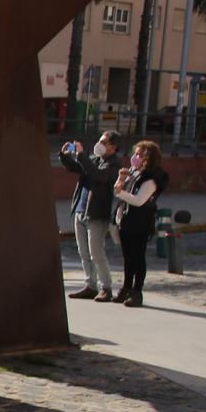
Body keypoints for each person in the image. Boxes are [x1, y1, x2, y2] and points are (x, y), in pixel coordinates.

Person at [60, 130, 121, 303]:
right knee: (84, 252)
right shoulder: (95, 160)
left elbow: (98, 176)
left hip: (97, 213)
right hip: (81, 210)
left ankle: (106, 287)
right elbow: (76, 168)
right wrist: (66, 156)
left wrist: (81, 155)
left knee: (96, 253)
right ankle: (90, 285)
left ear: (113, 147)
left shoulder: (114, 164)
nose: (99, 145)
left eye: (104, 142)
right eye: (99, 141)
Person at [112, 141, 169, 307]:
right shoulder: (135, 173)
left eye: (139, 154)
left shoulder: (151, 179)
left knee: (138, 258)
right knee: (128, 258)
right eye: (135, 153)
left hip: (140, 222)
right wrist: (121, 180)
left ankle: (137, 292)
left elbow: (138, 201)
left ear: (148, 157)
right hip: (127, 221)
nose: (135, 157)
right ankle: (126, 288)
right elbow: (119, 191)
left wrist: (120, 193)